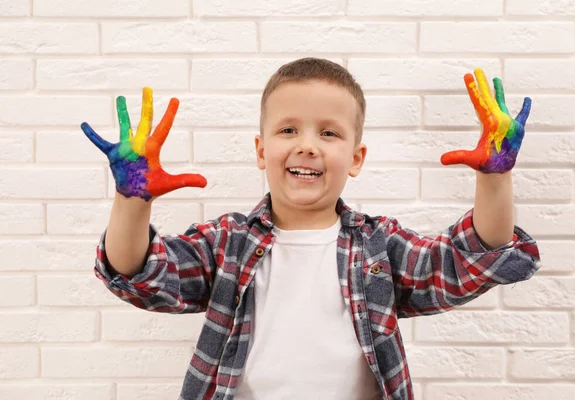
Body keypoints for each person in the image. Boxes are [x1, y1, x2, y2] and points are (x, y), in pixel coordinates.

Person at [81, 57, 541, 400]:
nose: (307, 146)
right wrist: (132, 199)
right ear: (261, 151)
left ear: (356, 158)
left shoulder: (378, 247)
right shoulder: (227, 243)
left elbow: (468, 262)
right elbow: (138, 273)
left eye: (328, 133)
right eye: (288, 131)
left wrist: (494, 178)